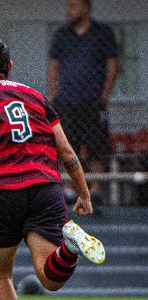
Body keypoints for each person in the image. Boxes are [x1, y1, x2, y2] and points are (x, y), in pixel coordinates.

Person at [0, 38, 106, 300]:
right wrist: (84, 194)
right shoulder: (36, 96)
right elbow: (66, 152)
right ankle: (70, 249)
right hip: (45, 188)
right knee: (49, 278)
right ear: (9, 66)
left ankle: (69, 248)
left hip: (0, 192)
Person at [47, 0, 119, 204]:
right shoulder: (62, 34)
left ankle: (95, 189)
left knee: (97, 146)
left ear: (86, 9)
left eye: (73, 6)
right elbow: (54, 65)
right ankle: (69, 189)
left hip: (93, 101)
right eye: (67, 7)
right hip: (67, 101)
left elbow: (113, 64)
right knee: (67, 145)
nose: (69, 11)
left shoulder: (102, 32)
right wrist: (52, 95)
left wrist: (105, 94)